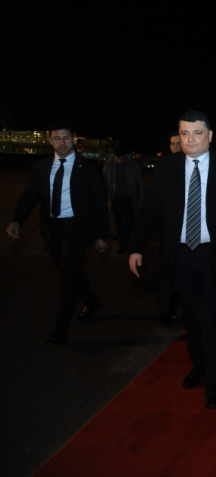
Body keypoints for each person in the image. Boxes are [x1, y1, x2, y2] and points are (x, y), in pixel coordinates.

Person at [129, 111, 216, 410]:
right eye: (184, 134)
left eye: (196, 133)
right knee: (190, 316)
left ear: (210, 136)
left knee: (210, 317)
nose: (190, 139)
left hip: (213, 254)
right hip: (179, 255)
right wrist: (136, 247)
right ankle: (199, 364)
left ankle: (214, 381)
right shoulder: (167, 167)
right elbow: (149, 210)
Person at [7, 123, 110, 345]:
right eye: (57, 139)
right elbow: (29, 197)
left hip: (77, 229)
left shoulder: (88, 168)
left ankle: (60, 330)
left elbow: (100, 204)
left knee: (66, 276)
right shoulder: (41, 167)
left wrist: (103, 235)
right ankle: (92, 302)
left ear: (73, 140)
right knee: (70, 271)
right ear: (50, 141)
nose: (61, 143)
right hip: (51, 230)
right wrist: (17, 220)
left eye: (66, 138)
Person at [102, 141, 145, 254]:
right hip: (115, 199)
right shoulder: (109, 165)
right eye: (117, 158)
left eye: (121, 158)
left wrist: (141, 200)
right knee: (119, 223)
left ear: (125, 156)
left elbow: (140, 183)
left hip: (129, 199)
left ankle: (129, 246)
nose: (119, 161)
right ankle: (122, 246)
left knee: (128, 223)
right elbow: (103, 182)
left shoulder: (133, 165)